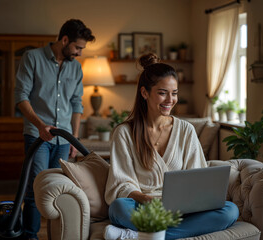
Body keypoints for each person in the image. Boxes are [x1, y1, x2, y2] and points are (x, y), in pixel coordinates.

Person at [104, 53, 239, 240]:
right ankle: (164, 231)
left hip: (182, 209)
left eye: (174, 93)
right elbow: (121, 183)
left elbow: (197, 175)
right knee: (118, 208)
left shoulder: (186, 130)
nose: (170, 100)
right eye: (162, 93)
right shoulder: (124, 133)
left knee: (230, 210)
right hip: (142, 206)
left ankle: (142, 234)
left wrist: (189, 202)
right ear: (144, 93)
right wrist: (147, 199)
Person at [14, 19, 95, 240]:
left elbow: (77, 103)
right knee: (35, 189)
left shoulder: (76, 67)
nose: (79, 53)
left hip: (63, 139)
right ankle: (30, 236)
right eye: (77, 47)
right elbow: (21, 97)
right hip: (37, 136)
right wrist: (41, 126)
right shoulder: (33, 58)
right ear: (64, 39)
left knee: (60, 191)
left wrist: (74, 139)